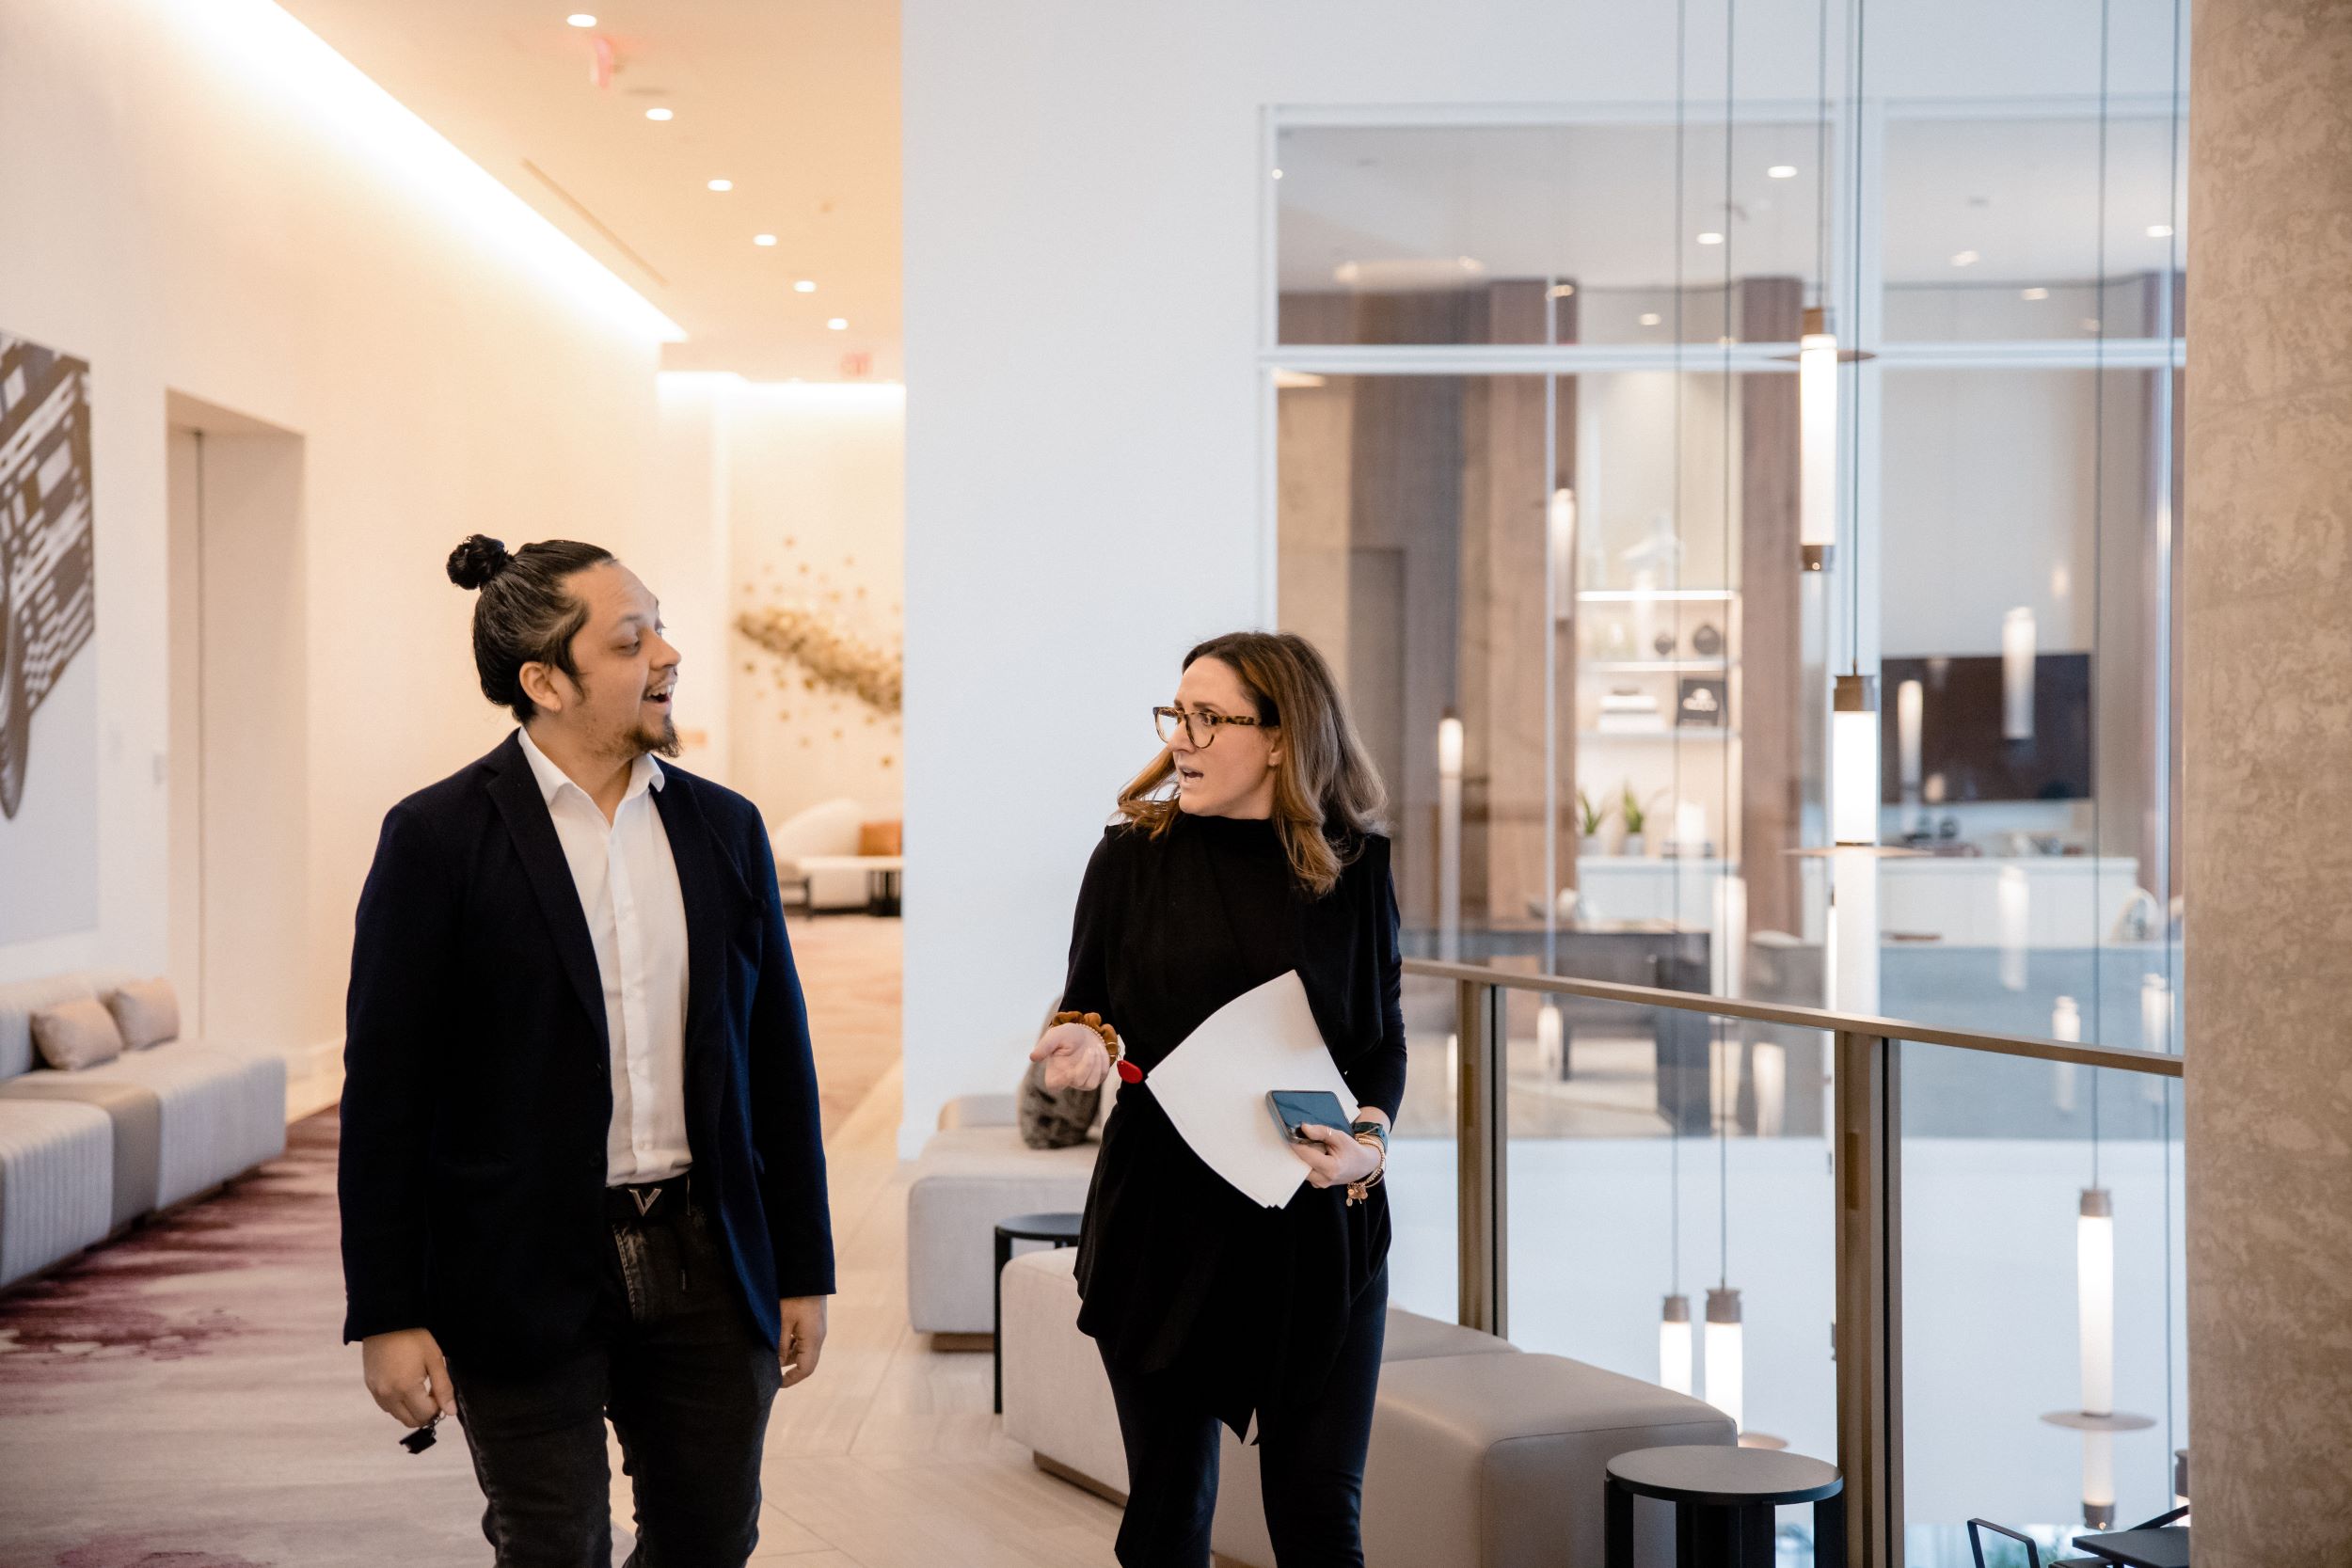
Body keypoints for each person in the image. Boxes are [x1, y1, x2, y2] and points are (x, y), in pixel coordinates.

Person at [338, 534, 834, 1567]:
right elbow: (388, 1094)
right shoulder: (435, 838)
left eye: (658, 623)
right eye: (630, 636)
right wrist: (388, 1310)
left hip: (707, 1257)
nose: (668, 653)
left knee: (708, 1539)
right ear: (544, 679)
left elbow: (775, 1058)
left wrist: (802, 1266)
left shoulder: (725, 829)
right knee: (553, 1544)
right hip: (518, 1267)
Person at [1029, 630, 1403, 1568]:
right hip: (1162, 1226)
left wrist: (1369, 1140)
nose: (1182, 737)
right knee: (1165, 1513)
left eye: (1209, 717)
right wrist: (1083, 1042)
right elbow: (1093, 1007)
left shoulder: (1354, 870)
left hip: (1316, 1231)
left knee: (1322, 1522)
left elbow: (1378, 1039)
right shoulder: (1129, 859)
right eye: (1177, 714)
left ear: (1281, 736)